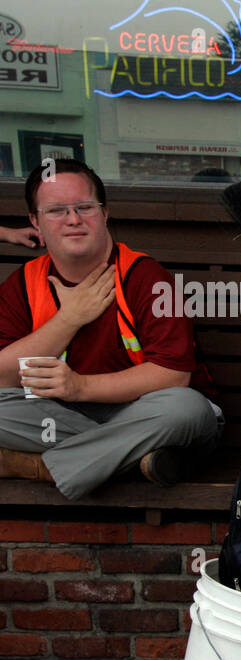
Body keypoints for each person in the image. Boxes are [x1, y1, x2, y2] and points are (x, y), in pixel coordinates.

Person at [0, 160, 220, 499]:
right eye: (57, 210)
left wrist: (78, 386)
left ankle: (46, 467)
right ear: (35, 222)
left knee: (184, 409)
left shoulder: (146, 277)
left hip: (148, 411)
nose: (73, 219)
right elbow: (3, 377)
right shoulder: (24, 283)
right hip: (69, 419)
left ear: (105, 214)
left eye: (84, 207)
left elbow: (174, 376)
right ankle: (130, 457)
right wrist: (70, 318)